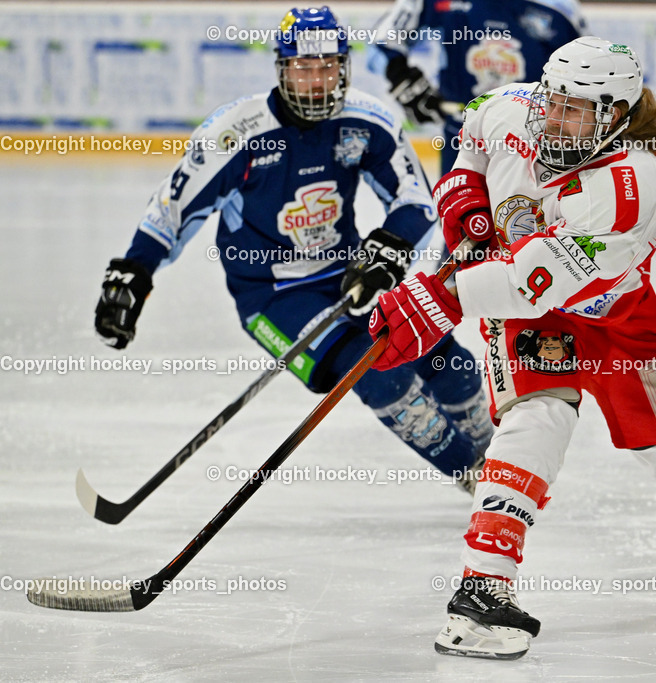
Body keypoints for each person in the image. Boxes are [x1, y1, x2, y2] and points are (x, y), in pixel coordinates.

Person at [368, 36, 656, 659]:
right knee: (537, 419)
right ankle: (482, 590)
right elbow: (472, 140)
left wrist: (437, 299)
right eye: (554, 102)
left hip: (612, 315)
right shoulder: (510, 107)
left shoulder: (633, 185)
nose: (555, 119)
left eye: (576, 111)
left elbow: (531, 282)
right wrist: (465, 202)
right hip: (528, 310)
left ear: (616, 116)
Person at [93, 6, 492, 490]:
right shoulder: (236, 134)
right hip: (274, 296)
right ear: (282, 69)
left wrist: (390, 247)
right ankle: (477, 477)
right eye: (304, 68)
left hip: (351, 275)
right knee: (381, 375)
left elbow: (416, 201)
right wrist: (134, 273)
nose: (318, 81)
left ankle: (497, 457)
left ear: (344, 67)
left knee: (449, 362)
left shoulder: (366, 121)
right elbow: (172, 210)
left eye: (328, 67)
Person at [372, 0, 585, 175]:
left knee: (529, 213)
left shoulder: (560, 7)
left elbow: (587, 66)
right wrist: (401, 77)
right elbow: (385, 37)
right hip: (461, 137)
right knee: (458, 211)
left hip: (534, 141)